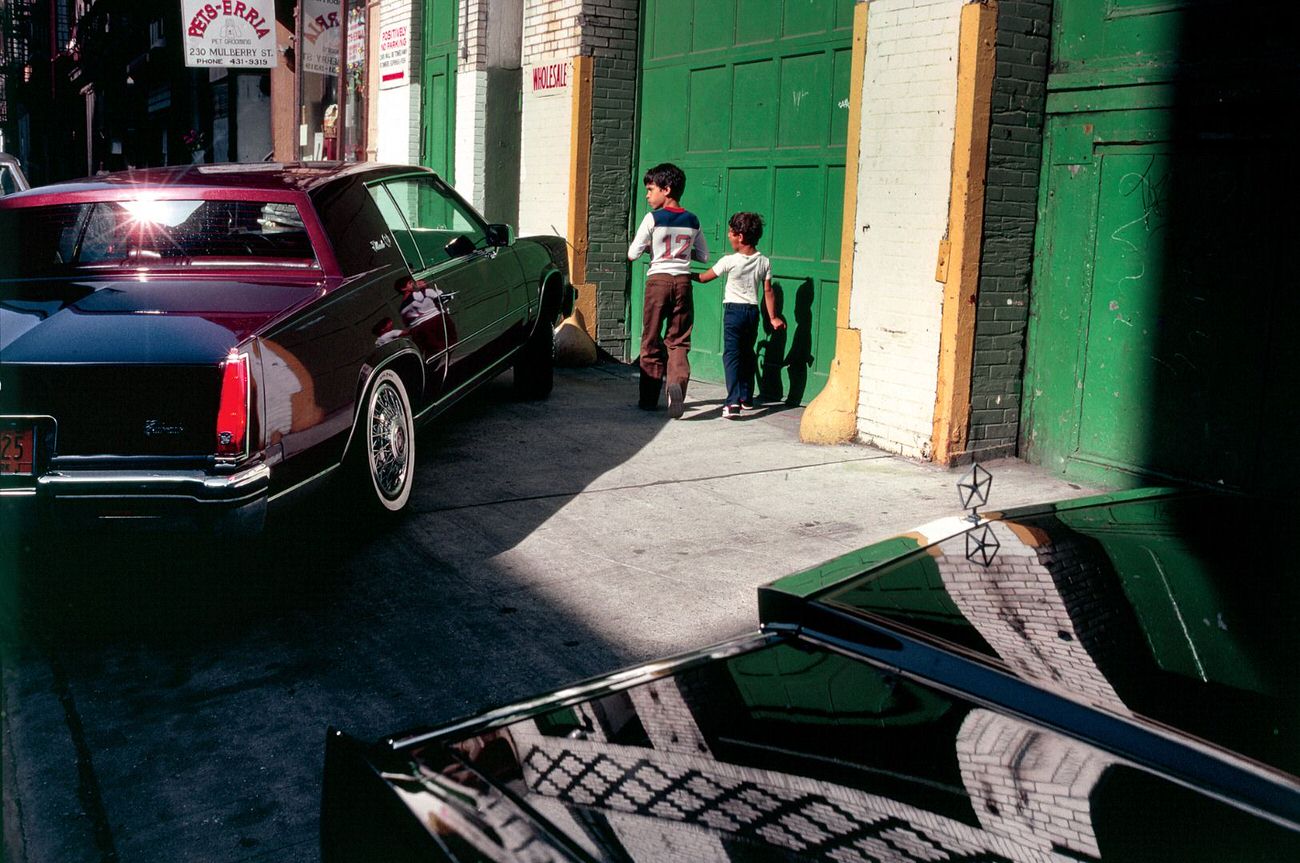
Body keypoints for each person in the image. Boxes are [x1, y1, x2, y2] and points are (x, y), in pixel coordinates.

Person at [628, 163, 708, 418]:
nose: (648, 195)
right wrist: (683, 252)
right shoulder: (692, 219)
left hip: (658, 281)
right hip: (683, 282)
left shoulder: (653, 218)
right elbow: (704, 257)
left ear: (667, 189)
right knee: (679, 340)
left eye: (651, 189)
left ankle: (649, 399)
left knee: (651, 340)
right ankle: (677, 385)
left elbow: (633, 253)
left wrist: (654, 248)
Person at [691, 212, 785, 418]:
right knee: (747, 354)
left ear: (740, 237)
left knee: (731, 355)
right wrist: (773, 317)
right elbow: (768, 291)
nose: (728, 236)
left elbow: (705, 278)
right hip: (752, 313)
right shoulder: (764, 262)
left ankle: (732, 403)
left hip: (734, 312)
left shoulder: (729, 260)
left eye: (731, 233)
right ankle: (746, 398)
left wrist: (685, 274)